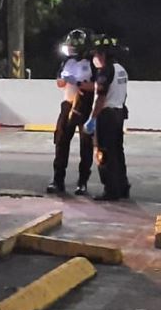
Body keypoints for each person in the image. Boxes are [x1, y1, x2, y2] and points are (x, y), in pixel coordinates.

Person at [47, 28, 96, 195]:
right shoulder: (67, 62)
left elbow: (98, 86)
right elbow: (59, 82)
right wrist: (64, 80)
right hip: (67, 104)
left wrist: (80, 84)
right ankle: (57, 180)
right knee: (61, 141)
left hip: (85, 104)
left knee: (86, 144)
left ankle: (82, 183)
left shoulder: (92, 63)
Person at [84, 36, 130, 201]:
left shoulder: (105, 71)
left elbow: (100, 98)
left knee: (104, 153)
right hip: (118, 113)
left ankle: (110, 190)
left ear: (103, 55)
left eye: (96, 54)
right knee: (118, 152)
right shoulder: (121, 70)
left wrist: (92, 118)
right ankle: (122, 186)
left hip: (107, 115)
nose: (95, 58)